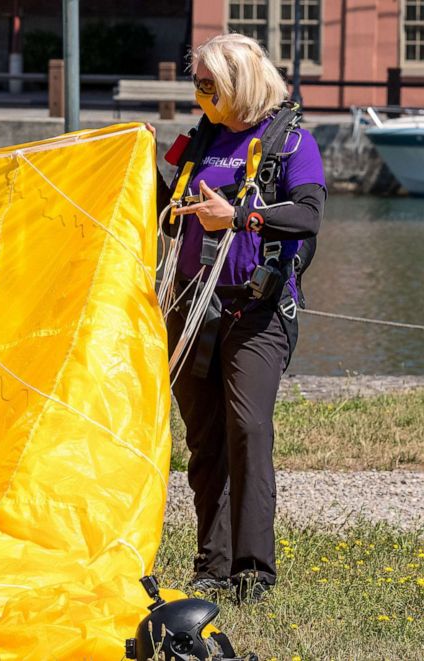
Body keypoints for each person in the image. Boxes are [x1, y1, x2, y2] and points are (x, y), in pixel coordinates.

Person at [157, 34, 325, 603]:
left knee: (247, 431)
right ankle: (212, 565)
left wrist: (241, 217)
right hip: (192, 307)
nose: (199, 95)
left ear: (238, 84)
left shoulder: (291, 139)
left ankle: (253, 571)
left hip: (256, 311)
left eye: (209, 85)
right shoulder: (203, 137)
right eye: (196, 85)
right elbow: (166, 207)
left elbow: (306, 215)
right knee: (204, 442)